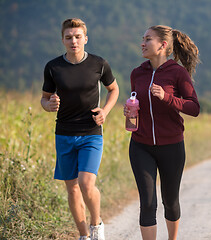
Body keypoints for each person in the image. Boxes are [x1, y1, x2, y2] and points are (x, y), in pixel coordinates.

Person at [41, 18, 119, 240]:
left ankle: (97, 225)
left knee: (86, 183)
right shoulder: (53, 67)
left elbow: (114, 89)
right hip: (64, 134)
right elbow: (44, 99)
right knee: (73, 189)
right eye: (68, 37)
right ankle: (83, 235)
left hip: (91, 133)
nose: (73, 41)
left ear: (86, 38)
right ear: (63, 40)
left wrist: (105, 111)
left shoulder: (99, 64)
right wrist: (49, 105)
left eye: (77, 37)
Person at [124, 25, 200, 240]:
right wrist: (130, 110)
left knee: (170, 200)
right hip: (140, 145)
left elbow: (194, 108)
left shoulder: (178, 72)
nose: (143, 43)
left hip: (171, 146)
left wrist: (167, 98)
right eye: (143, 38)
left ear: (163, 45)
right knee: (147, 202)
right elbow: (138, 106)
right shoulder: (137, 73)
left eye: (148, 39)